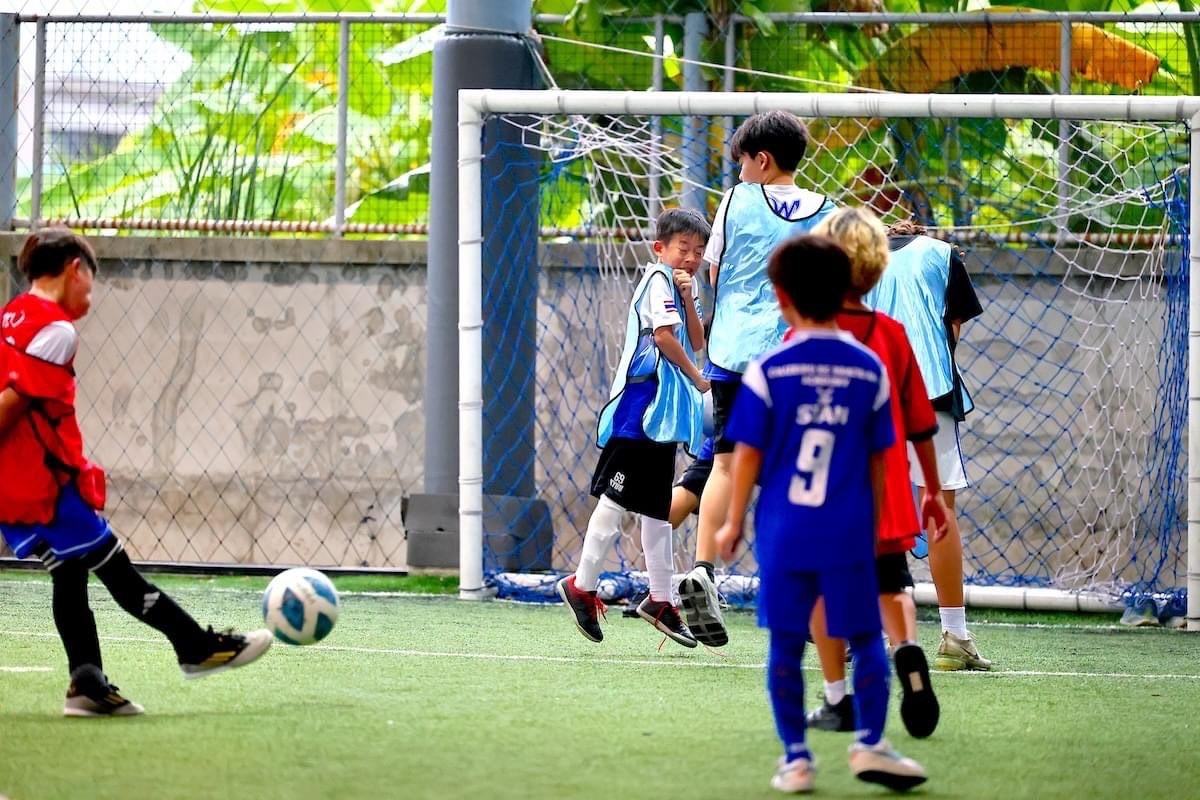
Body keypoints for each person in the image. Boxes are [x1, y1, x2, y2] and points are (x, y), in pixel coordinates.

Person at [0, 228, 273, 717]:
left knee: (70, 572)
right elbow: (15, 403)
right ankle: (195, 647)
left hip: (12, 481)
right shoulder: (56, 330)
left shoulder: (8, 317)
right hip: (40, 482)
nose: (90, 293)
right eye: (90, 280)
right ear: (74, 270)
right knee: (115, 567)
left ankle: (87, 684)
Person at [715, 234, 927, 793]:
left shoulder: (769, 368)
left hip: (785, 533)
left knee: (786, 645)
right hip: (849, 532)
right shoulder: (868, 369)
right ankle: (871, 745)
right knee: (864, 639)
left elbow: (746, 455)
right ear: (847, 289)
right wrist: (876, 522)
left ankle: (797, 759)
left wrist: (732, 520)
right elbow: (883, 456)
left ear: (781, 296)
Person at [679, 110, 837, 648]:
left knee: (725, 462)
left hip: (733, 351)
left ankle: (703, 570)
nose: (741, 171)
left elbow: (716, 270)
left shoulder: (736, 200)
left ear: (761, 160)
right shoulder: (829, 212)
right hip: (796, 357)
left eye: (743, 161)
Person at [803, 207, 949, 739]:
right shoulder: (892, 333)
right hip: (887, 487)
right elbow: (920, 423)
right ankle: (907, 650)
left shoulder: (808, 334)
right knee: (893, 583)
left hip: (827, 489)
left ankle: (837, 698)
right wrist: (931, 491)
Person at [557, 208, 711, 648]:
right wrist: (699, 379)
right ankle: (581, 585)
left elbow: (697, 339)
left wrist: (689, 298)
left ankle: (660, 599)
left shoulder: (682, 286)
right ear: (660, 248)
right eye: (684, 248)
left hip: (664, 416)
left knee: (658, 509)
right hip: (639, 410)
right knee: (616, 497)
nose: (691, 258)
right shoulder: (656, 281)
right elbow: (664, 337)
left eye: (699, 251)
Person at [865, 219, 990, 671]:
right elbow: (952, 330)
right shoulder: (942, 255)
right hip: (928, 391)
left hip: (866, 393)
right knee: (939, 507)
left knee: (868, 510)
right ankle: (955, 635)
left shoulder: (853, 253)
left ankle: (859, 632)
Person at [622, 435, 713, 619]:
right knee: (723, 473)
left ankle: (700, 577)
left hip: (728, 436)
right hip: (750, 437)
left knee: (721, 473)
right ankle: (697, 579)